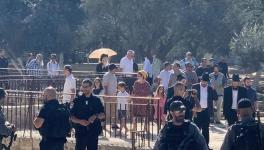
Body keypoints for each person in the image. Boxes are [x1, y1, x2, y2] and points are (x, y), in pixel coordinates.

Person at [71, 79, 105, 150]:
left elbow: (103, 115)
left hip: (93, 132)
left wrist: (95, 116)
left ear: (91, 86)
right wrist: (80, 121)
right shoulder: (77, 100)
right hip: (80, 132)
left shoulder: (97, 100)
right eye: (83, 87)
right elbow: (71, 117)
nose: (84, 88)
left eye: (86, 87)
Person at [192, 73, 216, 148]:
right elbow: (191, 99)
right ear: (201, 80)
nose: (205, 83)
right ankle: (196, 145)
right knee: (197, 129)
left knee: (206, 129)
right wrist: (193, 111)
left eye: (206, 82)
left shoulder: (209, 88)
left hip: (206, 111)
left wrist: (214, 89)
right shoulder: (195, 86)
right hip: (197, 111)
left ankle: (206, 145)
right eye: (203, 81)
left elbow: (215, 98)